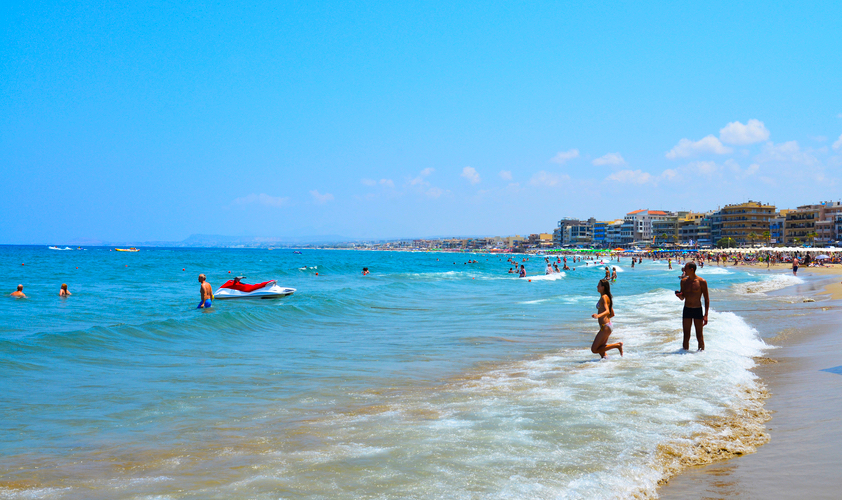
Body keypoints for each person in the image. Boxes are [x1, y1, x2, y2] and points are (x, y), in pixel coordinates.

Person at [675, 262, 709, 351]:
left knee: (699, 336)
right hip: (687, 309)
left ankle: (701, 356)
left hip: (697, 309)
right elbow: (683, 297)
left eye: (685, 268)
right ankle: (685, 358)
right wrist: (679, 296)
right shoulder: (683, 281)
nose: (684, 270)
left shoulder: (702, 282)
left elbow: (706, 299)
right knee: (686, 335)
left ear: (691, 270)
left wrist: (706, 315)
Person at [591, 279, 623, 358]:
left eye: (599, 285)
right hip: (607, 326)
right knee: (601, 351)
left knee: (594, 349)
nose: (597, 286)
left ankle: (617, 345)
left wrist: (598, 316)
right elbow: (612, 313)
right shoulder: (607, 297)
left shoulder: (604, 297)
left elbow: (607, 311)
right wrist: (605, 319)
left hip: (605, 327)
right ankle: (606, 363)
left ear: (603, 287)